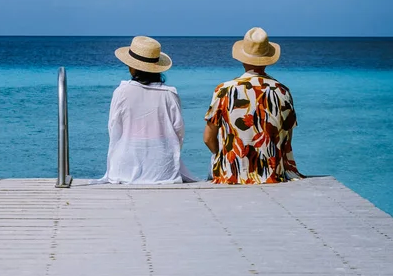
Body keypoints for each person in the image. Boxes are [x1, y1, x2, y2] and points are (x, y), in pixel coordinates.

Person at [203, 27, 303, 184]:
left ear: (242, 58)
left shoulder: (224, 90)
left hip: (232, 172)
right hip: (272, 173)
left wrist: (221, 156)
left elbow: (208, 138)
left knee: (214, 164)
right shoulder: (282, 91)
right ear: (268, 59)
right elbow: (286, 139)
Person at [99, 36, 196, 184]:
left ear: (132, 67)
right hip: (163, 169)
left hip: (125, 168)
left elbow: (114, 129)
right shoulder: (169, 94)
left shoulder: (122, 92)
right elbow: (179, 132)